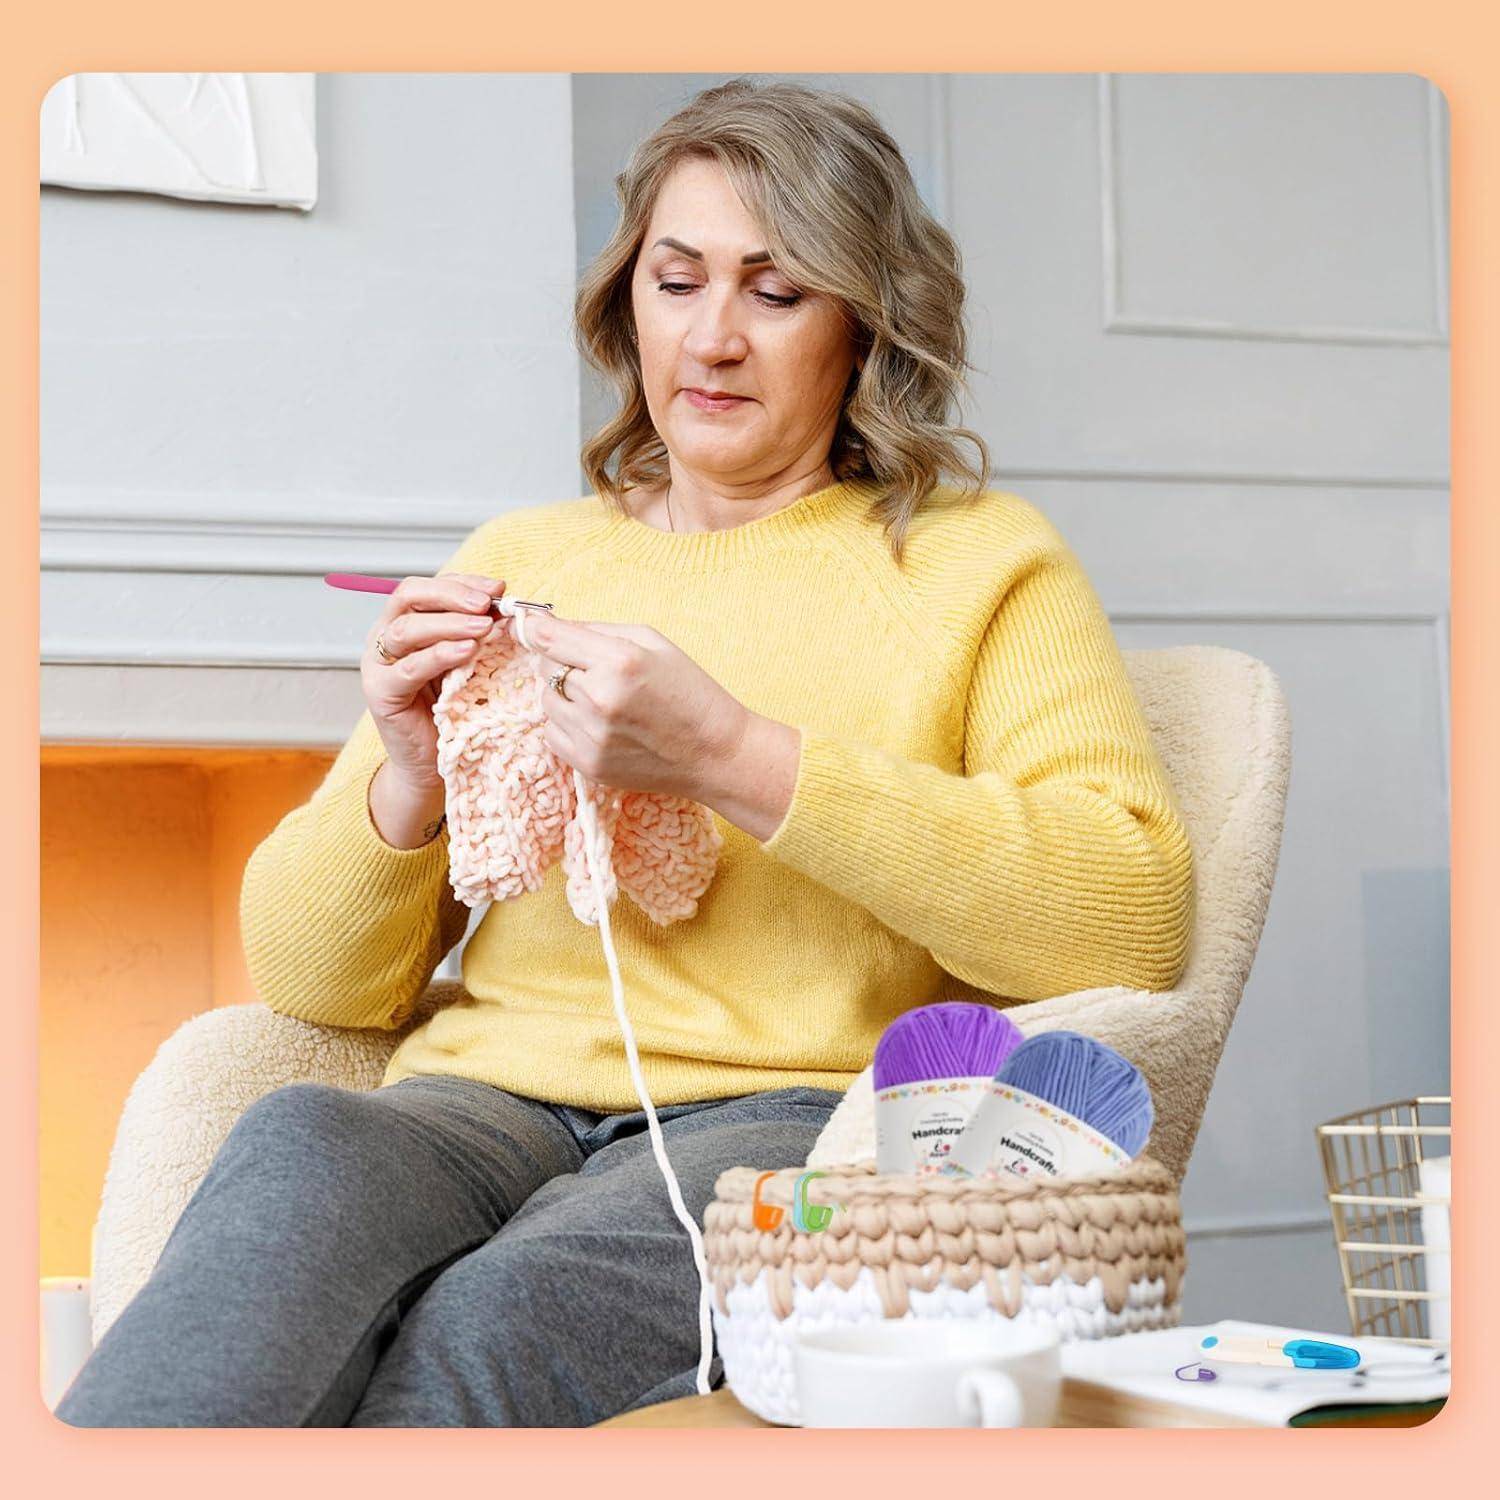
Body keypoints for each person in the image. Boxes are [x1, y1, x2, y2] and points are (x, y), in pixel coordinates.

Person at [57, 77, 1194, 1428]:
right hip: (479, 1102)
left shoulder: (978, 564)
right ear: (626, 303)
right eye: (676, 280)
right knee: (297, 1155)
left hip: (784, 1121)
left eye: (776, 294)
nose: (711, 341)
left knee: (503, 1317)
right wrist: (406, 780)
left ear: (864, 329)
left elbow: (1131, 917)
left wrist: (736, 758)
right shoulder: (528, 560)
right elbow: (315, 982)